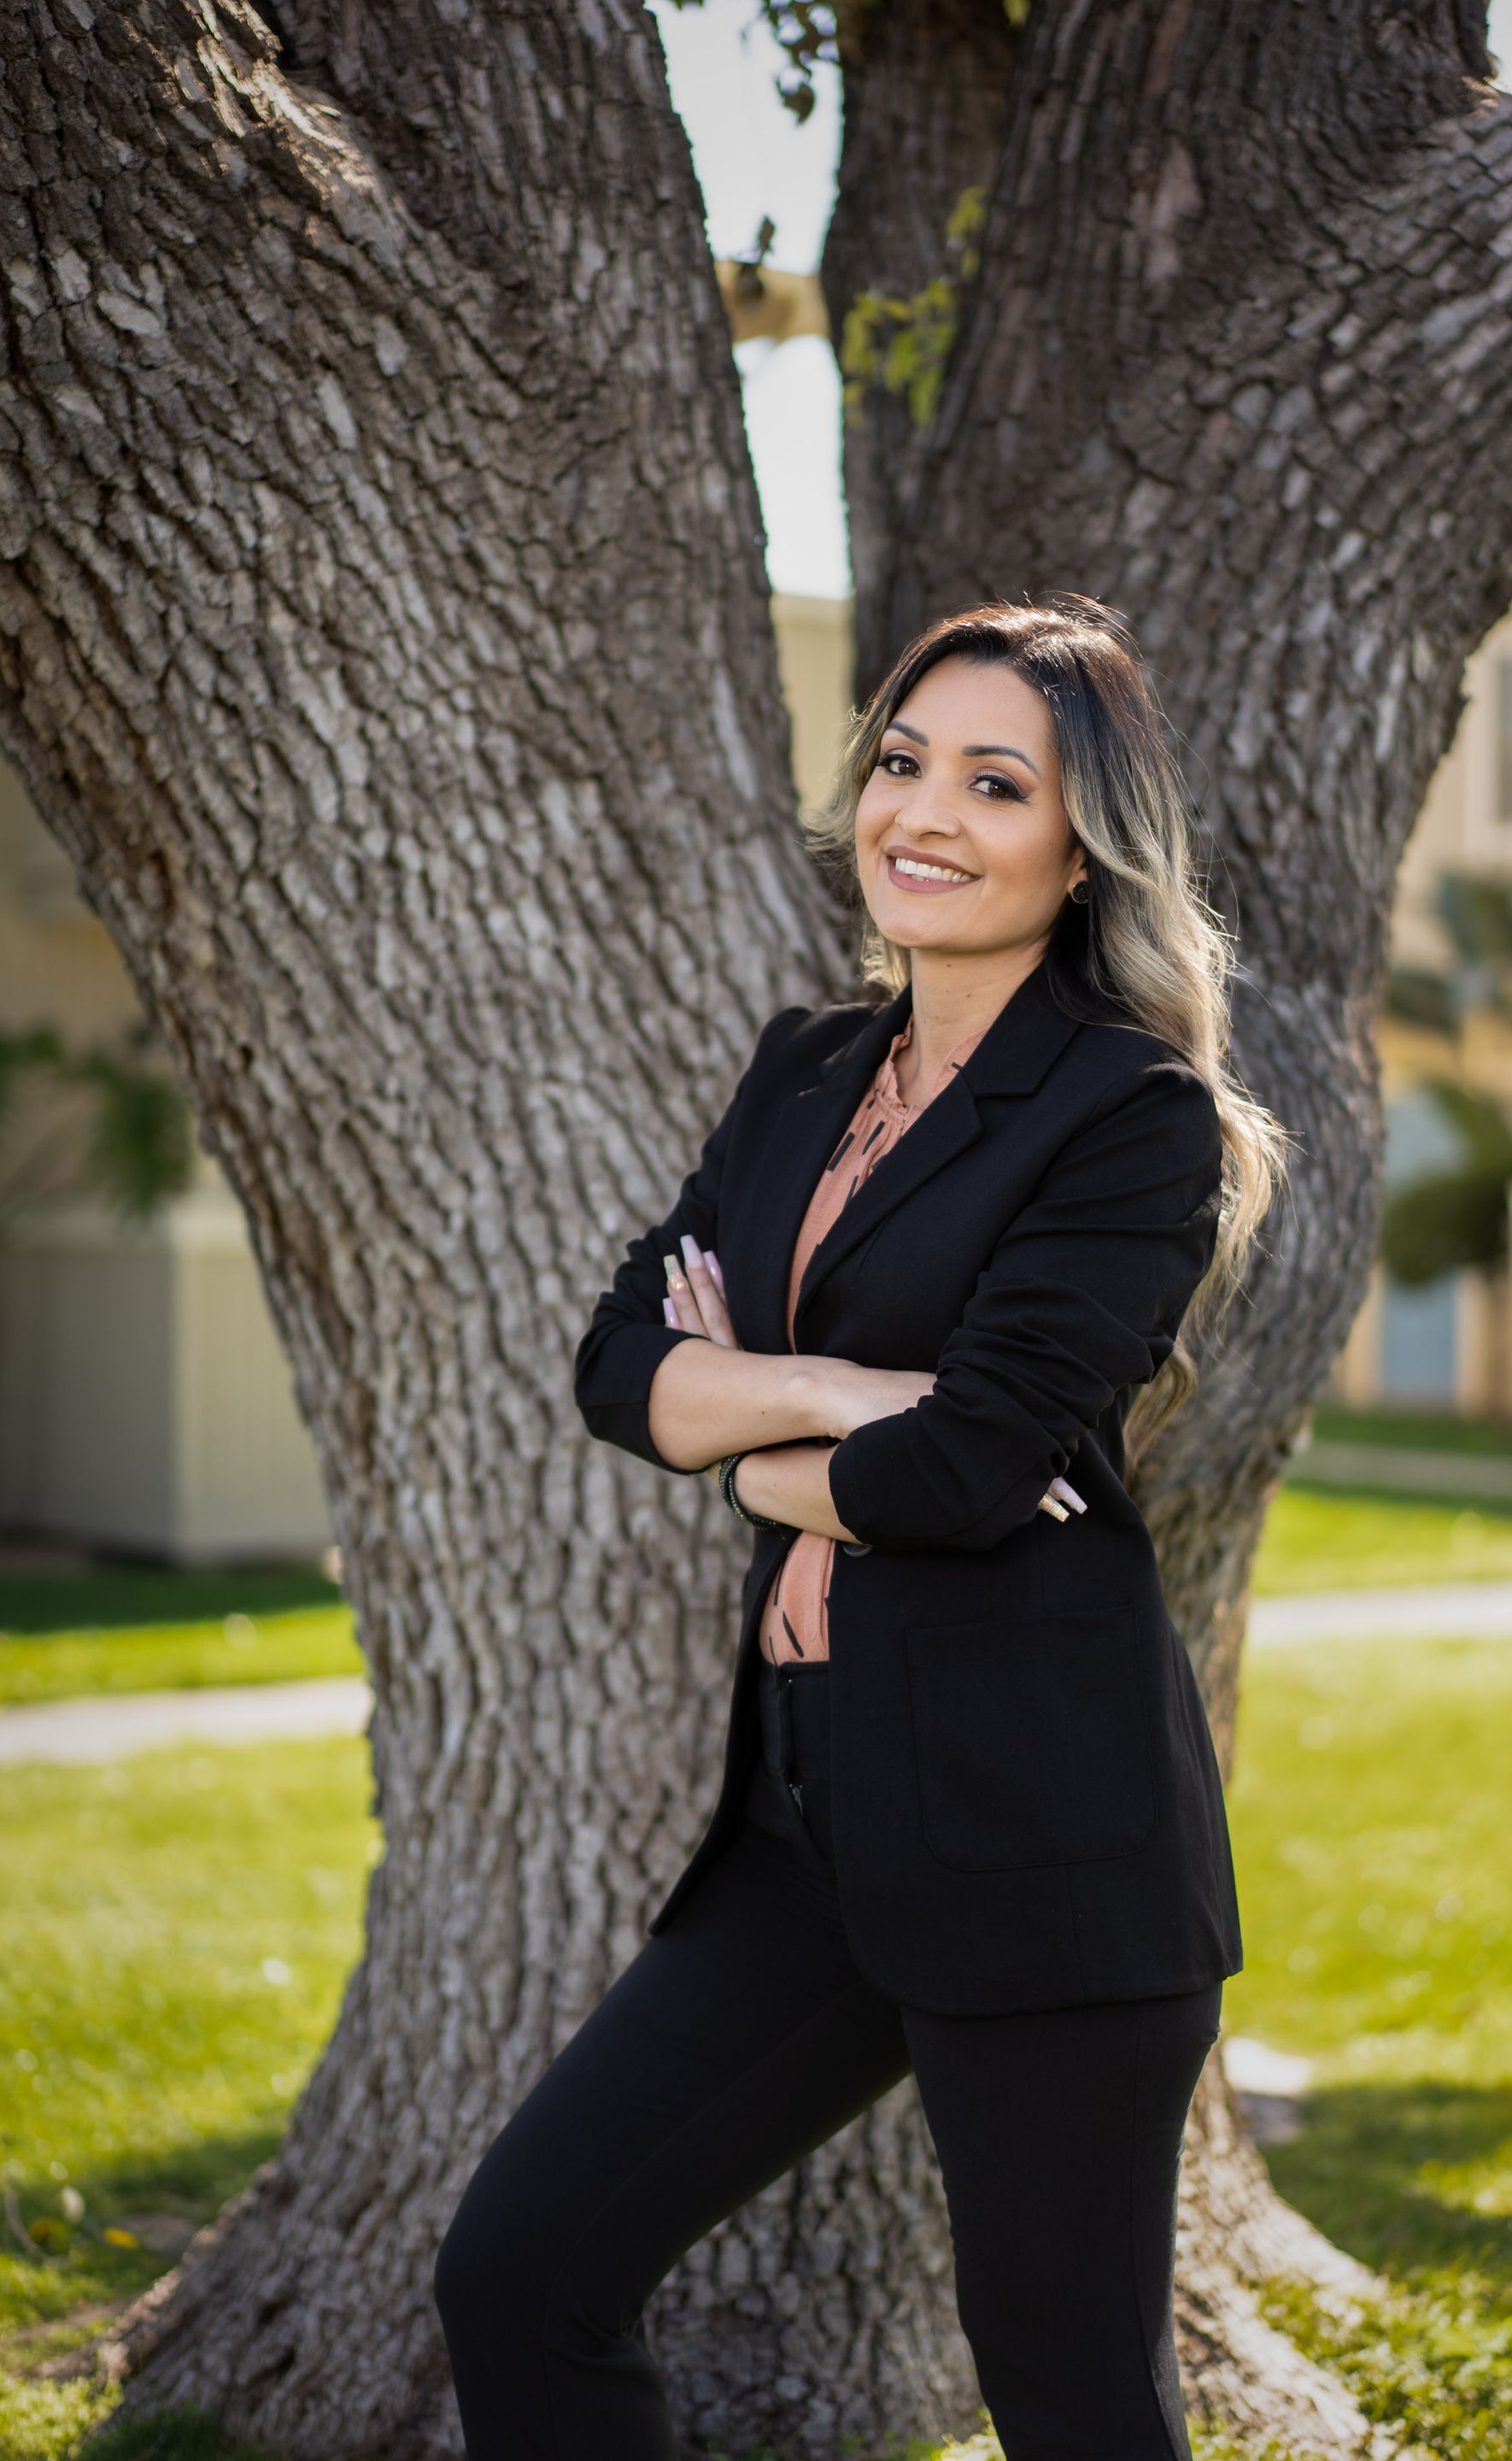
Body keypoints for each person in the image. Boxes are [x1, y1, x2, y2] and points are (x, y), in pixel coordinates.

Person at [434, 594, 1286, 2460]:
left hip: (1041, 1834)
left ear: (1085, 849)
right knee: (522, 2273)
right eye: (905, 760)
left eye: (998, 783)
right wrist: (833, 1398)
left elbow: (967, 1475)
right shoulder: (804, 1070)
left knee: (1070, 2404)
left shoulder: (1131, 1115)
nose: (927, 810)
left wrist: (743, 1434)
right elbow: (614, 1363)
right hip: (810, 1824)